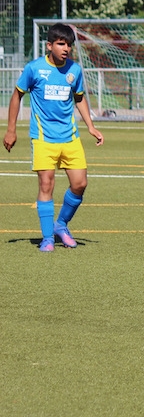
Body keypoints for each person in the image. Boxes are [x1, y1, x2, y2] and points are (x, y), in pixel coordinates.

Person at [5, 22, 104, 251]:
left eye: (69, 45)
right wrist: (11, 130)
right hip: (43, 137)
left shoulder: (74, 70)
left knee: (80, 184)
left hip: (70, 137)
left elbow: (79, 98)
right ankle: (48, 238)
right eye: (61, 44)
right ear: (49, 45)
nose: (66, 49)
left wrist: (91, 126)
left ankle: (61, 224)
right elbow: (17, 96)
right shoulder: (34, 69)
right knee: (46, 184)